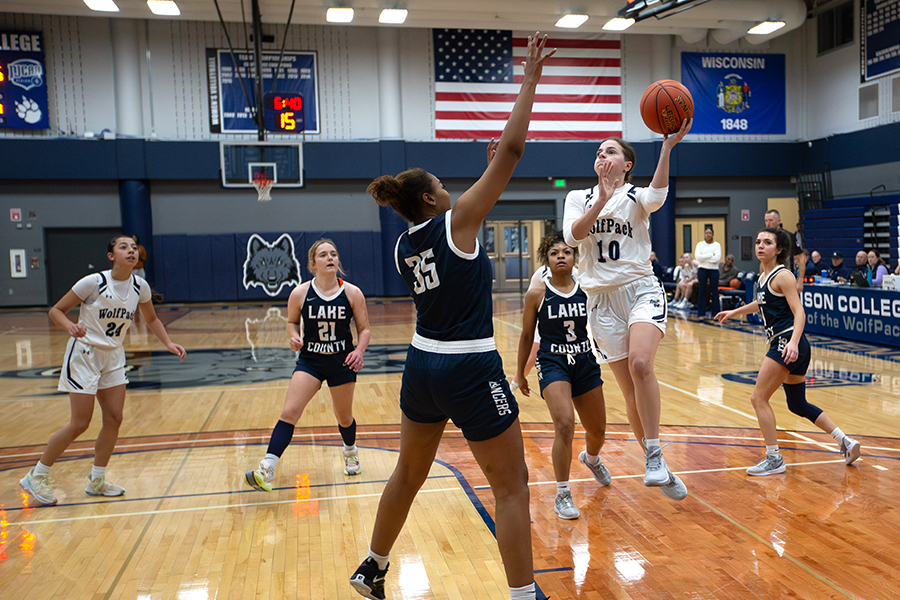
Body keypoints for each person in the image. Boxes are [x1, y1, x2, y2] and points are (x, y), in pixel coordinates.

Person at [350, 33, 555, 600]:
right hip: (469, 367)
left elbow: (464, 226)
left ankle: (372, 565)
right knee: (512, 488)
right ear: (433, 201)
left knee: (408, 474)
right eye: (444, 186)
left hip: (422, 368)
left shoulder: (404, 246)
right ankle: (523, 594)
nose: (452, 189)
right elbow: (512, 154)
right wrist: (531, 76)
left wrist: (482, 181)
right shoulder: (457, 222)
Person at [562, 118, 691, 501]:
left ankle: (654, 455)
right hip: (601, 301)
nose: (602, 156)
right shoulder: (577, 198)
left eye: (611, 151)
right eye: (599, 152)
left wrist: (666, 148)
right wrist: (600, 199)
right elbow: (573, 237)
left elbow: (660, 193)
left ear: (626, 163)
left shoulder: (636, 195)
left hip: (639, 290)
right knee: (629, 391)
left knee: (641, 364)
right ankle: (660, 467)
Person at [19, 235, 186, 506]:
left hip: (113, 356)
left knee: (114, 418)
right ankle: (36, 475)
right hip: (84, 355)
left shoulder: (139, 286)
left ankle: (97, 480)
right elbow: (56, 311)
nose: (130, 251)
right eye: (123, 247)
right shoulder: (94, 283)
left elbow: (151, 318)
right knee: (80, 423)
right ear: (111, 256)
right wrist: (70, 327)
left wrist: (167, 343)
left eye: (133, 248)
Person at [715, 228, 861, 475]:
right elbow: (762, 304)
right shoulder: (763, 275)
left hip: (787, 341)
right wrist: (735, 312)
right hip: (793, 345)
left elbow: (800, 312)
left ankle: (773, 458)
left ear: (779, 249)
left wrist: (792, 343)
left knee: (758, 398)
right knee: (797, 404)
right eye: (758, 241)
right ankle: (844, 441)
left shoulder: (782, 276)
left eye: (767, 242)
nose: (760, 245)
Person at [245, 239, 370, 492]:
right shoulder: (300, 293)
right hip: (310, 361)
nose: (330, 258)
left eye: (333, 254)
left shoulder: (352, 293)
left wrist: (359, 350)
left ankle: (350, 452)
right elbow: (291, 322)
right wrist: (293, 335)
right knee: (289, 412)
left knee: (344, 417)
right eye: (323, 255)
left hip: (341, 361)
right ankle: (267, 469)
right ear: (313, 264)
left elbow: (364, 329)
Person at [513, 235, 609, 520]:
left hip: (584, 360)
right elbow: (528, 336)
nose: (561, 256)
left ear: (574, 258)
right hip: (553, 361)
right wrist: (520, 374)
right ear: (547, 261)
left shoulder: (587, 289)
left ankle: (591, 459)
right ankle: (563, 492)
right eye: (555, 253)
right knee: (565, 424)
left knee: (598, 430)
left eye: (567, 252)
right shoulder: (537, 294)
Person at [764, 209, 805, 292]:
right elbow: (763, 260)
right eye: (766, 221)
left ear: (778, 221)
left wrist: (800, 280)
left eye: (771, 220)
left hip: (786, 276)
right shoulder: (763, 237)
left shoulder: (788, 236)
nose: (768, 223)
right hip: (769, 277)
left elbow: (801, 258)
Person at [694, 226, 722, 318]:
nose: (708, 234)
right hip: (702, 269)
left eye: (710, 233)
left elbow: (717, 259)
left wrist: (704, 258)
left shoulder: (717, 245)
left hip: (714, 270)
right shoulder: (700, 244)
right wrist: (710, 255)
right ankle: (701, 314)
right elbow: (698, 257)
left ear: (712, 234)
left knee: (714, 292)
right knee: (702, 290)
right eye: (706, 233)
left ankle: (716, 314)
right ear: (704, 234)